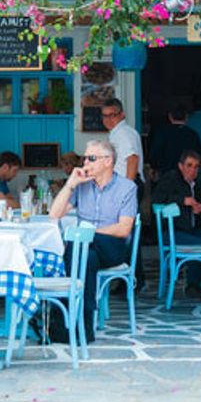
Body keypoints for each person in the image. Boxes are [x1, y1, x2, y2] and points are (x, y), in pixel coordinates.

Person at [49, 140, 137, 342]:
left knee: (78, 242)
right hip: (86, 249)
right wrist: (71, 184)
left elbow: (124, 229)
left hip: (112, 247)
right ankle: (84, 327)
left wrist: (89, 234)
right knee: (86, 257)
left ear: (108, 161)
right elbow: (55, 214)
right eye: (84, 158)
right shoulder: (82, 186)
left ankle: (63, 318)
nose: (84, 163)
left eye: (91, 158)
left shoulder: (127, 188)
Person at [152, 150, 201, 297]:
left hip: (191, 230)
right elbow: (157, 200)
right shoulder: (170, 179)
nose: (193, 170)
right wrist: (182, 201)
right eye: (189, 165)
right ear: (180, 166)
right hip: (173, 232)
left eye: (196, 167)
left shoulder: (194, 185)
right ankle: (193, 285)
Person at [102, 98, 146, 286]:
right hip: (124, 186)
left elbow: (132, 160)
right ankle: (128, 279)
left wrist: (126, 189)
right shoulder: (118, 133)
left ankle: (133, 279)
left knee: (125, 234)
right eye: (105, 116)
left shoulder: (123, 133)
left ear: (122, 115)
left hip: (126, 187)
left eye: (112, 115)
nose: (108, 119)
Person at [148, 105, 201, 176]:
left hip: (166, 174)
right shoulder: (192, 134)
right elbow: (200, 156)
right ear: (186, 117)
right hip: (187, 174)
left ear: (170, 117)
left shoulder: (162, 133)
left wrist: (153, 167)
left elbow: (155, 153)